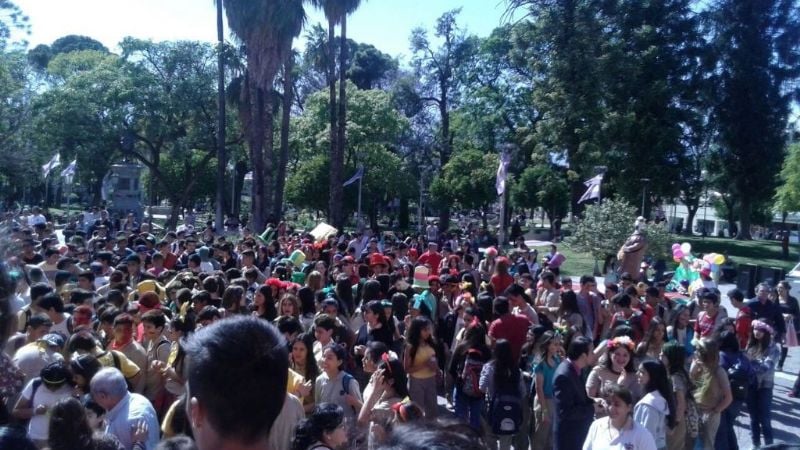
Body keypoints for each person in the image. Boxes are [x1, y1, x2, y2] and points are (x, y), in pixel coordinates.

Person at [90, 367, 159, 450]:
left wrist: (138, 444)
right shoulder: (138, 398)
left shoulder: (131, 421)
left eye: (94, 396)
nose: (94, 400)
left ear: (103, 396)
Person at [12, 361, 74, 448]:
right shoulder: (35, 384)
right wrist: (34, 411)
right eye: (48, 385)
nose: (52, 389)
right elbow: (16, 412)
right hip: (35, 439)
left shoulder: (73, 389)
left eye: (56, 386)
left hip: (60, 441)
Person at [554, 336, 599, 450]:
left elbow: (578, 398)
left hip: (576, 435)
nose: (594, 354)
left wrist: (594, 401)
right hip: (568, 438)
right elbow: (565, 412)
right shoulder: (564, 375)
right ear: (583, 355)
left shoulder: (575, 369)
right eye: (592, 352)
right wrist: (592, 408)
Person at [479, 339, 526, 450]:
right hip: (510, 410)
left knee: (490, 438)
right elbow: (523, 392)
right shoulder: (516, 370)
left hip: (492, 408)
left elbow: (481, 387)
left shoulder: (489, 367)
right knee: (506, 441)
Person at [582, 384, 657, 450]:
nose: (611, 408)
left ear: (629, 408)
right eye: (608, 403)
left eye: (617, 404)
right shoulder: (596, 426)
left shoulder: (642, 434)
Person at [690, 338, 732, 450]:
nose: (696, 353)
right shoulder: (701, 367)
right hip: (696, 411)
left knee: (707, 445)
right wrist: (693, 373)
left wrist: (715, 411)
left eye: (698, 351)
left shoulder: (719, 372)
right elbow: (696, 387)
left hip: (710, 414)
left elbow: (728, 398)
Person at [448, 321, 491, 431]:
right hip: (479, 391)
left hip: (461, 387)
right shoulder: (486, 351)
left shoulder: (461, 348)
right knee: (475, 419)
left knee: (460, 419)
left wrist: (459, 379)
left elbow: (451, 369)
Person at [745, 319, 780, 448]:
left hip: (765, 386)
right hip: (751, 385)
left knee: (765, 419)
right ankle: (755, 444)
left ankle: (769, 445)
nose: (757, 332)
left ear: (766, 332)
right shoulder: (751, 345)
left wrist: (751, 363)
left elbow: (767, 367)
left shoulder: (773, 348)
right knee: (753, 418)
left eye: (760, 330)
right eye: (755, 329)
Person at [716, 330, 750, 450]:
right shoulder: (742, 356)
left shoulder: (721, 356)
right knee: (729, 427)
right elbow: (752, 376)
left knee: (721, 432)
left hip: (725, 397)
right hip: (739, 398)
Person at [315, 344, 363, 423]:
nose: (325, 360)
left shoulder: (349, 382)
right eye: (324, 356)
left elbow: (359, 409)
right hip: (326, 429)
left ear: (339, 362)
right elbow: (318, 406)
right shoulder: (319, 380)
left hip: (346, 430)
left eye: (329, 358)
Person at [660, 342, 694, 450]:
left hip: (676, 421)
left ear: (671, 357)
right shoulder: (674, 373)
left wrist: (674, 424)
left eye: (663, 353)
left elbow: (681, 404)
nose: (660, 354)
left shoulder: (675, 378)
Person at [634, 361, 675, 450]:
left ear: (653, 376)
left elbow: (648, 436)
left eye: (642, 372)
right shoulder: (659, 397)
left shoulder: (649, 404)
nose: (637, 374)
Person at [403, 316, 439, 419]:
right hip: (416, 382)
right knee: (418, 412)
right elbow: (407, 369)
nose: (428, 332)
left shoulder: (431, 342)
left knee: (432, 411)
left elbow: (433, 358)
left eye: (429, 329)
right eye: (425, 330)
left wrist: (437, 369)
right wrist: (425, 364)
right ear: (417, 330)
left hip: (431, 380)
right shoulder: (410, 347)